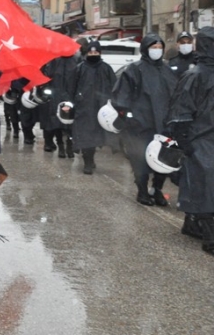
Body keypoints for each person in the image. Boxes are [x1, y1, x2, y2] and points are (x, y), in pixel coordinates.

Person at [111, 33, 178, 206]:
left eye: (159, 47)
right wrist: (130, 116)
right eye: (153, 47)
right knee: (139, 158)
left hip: (163, 124)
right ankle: (142, 190)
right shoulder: (134, 69)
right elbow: (121, 96)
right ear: (145, 49)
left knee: (163, 158)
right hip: (140, 125)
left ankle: (157, 189)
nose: (157, 51)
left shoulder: (167, 70)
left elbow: (176, 95)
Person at [166, 26, 214, 252]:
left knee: (201, 184)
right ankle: (209, 234)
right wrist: (183, 139)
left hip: (205, 139)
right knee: (204, 185)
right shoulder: (195, 76)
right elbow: (182, 110)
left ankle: (191, 222)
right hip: (200, 139)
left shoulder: (196, 74)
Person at [64, 40, 116, 174]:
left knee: (96, 135)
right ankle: (87, 161)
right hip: (84, 108)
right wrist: (72, 103)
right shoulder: (80, 68)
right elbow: (71, 87)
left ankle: (90, 159)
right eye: (91, 52)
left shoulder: (106, 68)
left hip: (101, 109)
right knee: (85, 135)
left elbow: (114, 86)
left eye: (96, 52)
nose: (93, 54)